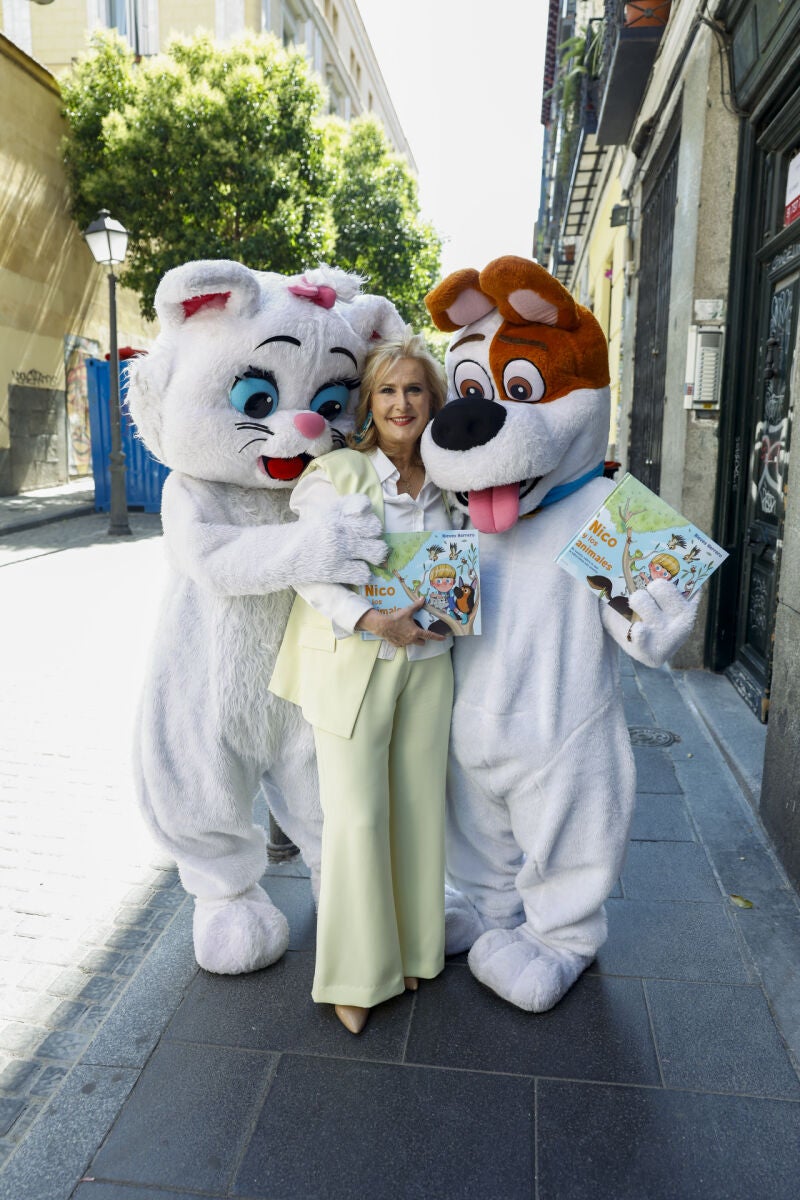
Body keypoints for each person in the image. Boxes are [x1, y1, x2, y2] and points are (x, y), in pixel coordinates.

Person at [269, 331, 452, 1035]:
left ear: (432, 400)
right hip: (355, 661)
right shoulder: (339, 472)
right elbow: (308, 568)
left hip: (431, 667)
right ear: (368, 404)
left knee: (414, 812)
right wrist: (373, 620)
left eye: (414, 389)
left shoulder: (448, 480)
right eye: (388, 390)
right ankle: (352, 975)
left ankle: (408, 952)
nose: (402, 402)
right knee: (356, 819)